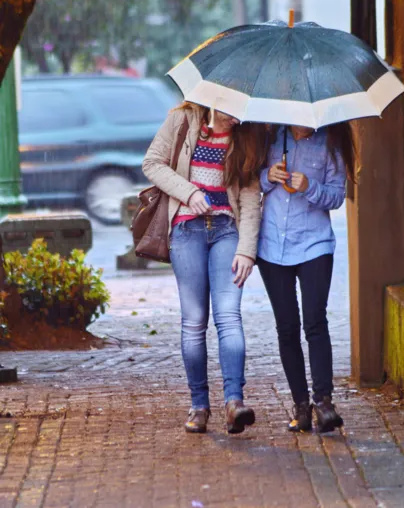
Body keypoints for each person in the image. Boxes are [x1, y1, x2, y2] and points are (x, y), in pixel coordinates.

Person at [142, 102, 266, 435]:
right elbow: (152, 163)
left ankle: (234, 402)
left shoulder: (248, 136)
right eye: (229, 107)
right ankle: (199, 405)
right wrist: (189, 191)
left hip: (227, 230)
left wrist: (247, 250)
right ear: (213, 97)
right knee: (194, 321)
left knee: (229, 315)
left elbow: (251, 198)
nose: (234, 115)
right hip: (186, 231)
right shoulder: (182, 120)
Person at [257, 122, 356, 433]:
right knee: (287, 327)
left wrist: (308, 186)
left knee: (315, 321)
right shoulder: (271, 137)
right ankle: (301, 406)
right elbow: (249, 182)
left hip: (314, 245)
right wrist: (267, 176)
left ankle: (324, 402)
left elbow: (337, 196)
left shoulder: (330, 144)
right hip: (272, 247)